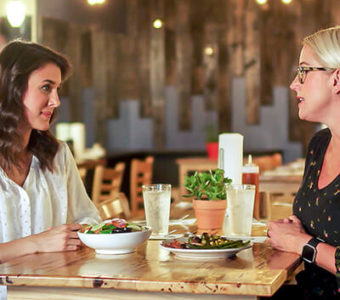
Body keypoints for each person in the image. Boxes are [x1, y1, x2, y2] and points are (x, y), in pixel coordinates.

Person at [0, 40, 101, 263]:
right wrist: (37, 243)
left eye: (57, 89)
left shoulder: (59, 154)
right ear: (12, 89)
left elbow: (89, 220)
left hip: (51, 288)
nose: (55, 101)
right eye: (46, 87)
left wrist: (79, 234)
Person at [267, 25, 340, 299]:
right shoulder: (319, 144)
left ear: (336, 79)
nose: (293, 84)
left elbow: (307, 244)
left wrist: (302, 243)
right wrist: (295, 231)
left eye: (304, 71)